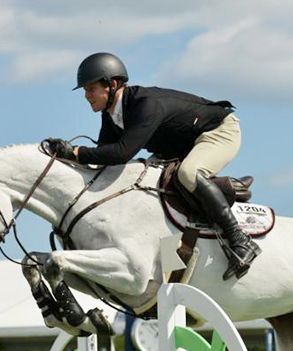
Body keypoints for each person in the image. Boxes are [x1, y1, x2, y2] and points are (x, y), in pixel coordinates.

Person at [46, 52, 260, 280]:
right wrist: (66, 157)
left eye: (91, 89)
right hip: (181, 146)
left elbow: (122, 153)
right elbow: (104, 160)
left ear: (112, 84)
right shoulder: (111, 115)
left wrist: (76, 152)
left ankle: (240, 240)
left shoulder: (145, 105)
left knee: (189, 173)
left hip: (218, 132)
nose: (87, 96)